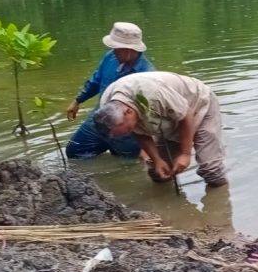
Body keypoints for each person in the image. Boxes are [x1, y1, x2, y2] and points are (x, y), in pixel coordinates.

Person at [93, 72, 227, 187]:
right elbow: (139, 133)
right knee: (159, 174)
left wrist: (185, 154)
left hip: (198, 104)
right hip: (168, 119)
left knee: (212, 172)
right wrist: (157, 160)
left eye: (128, 129)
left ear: (128, 112)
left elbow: (186, 115)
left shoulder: (152, 93)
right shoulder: (108, 104)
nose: (129, 132)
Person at [65, 22, 154, 159]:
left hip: (126, 131)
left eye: (116, 48)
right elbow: (96, 80)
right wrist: (78, 100)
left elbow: (150, 116)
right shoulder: (110, 57)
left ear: (128, 50)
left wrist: (147, 147)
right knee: (74, 151)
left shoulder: (148, 76)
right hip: (99, 119)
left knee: (128, 166)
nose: (113, 51)